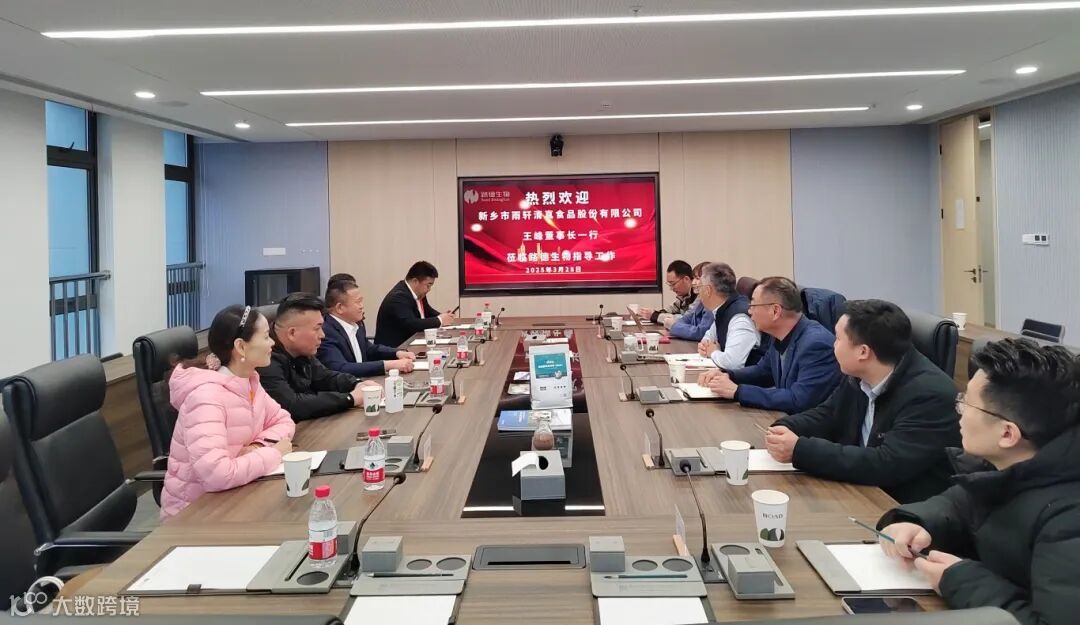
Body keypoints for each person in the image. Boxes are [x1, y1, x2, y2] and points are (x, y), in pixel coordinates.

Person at [877, 338, 1080, 625]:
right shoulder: (1014, 464)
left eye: (967, 403)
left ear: (1007, 434)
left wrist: (960, 580)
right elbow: (959, 502)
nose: (958, 410)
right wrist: (916, 523)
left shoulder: (1069, 517)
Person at [766, 299, 959, 503]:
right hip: (860, 491)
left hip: (899, 507)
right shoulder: (860, 374)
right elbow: (829, 414)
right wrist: (785, 427)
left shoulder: (929, 395)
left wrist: (800, 450)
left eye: (838, 339)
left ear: (863, 352)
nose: (833, 345)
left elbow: (886, 463)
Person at [162, 305, 296, 519]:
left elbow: (283, 421)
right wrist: (273, 453)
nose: (272, 343)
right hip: (196, 516)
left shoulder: (248, 381)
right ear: (241, 346)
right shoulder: (206, 398)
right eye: (265, 337)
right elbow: (217, 475)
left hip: (236, 496)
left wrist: (257, 446)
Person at [699, 276, 841, 414]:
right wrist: (727, 375)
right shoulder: (779, 334)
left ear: (775, 311)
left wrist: (738, 391)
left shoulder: (816, 344)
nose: (749, 311)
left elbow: (799, 400)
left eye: (753, 305)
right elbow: (763, 371)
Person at [259, 292, 378, 421]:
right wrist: (350, 398)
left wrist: (357, 384)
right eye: (317, 329)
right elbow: (292, 405)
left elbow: (326, 377)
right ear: (292, 333)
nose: (322, 335)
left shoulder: (302, 351)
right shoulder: (265, 359)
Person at [319, 279, 417, 377]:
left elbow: (369, 349)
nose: (361, 306)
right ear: (340, 308)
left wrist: (397, 353)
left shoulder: (356, 324)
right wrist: (388, 365)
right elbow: (341, 368)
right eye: (358, 302)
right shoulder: (325, 332)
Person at [693, 262, 763, 370]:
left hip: (750, 379)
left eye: (699, 288)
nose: (698, 293)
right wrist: (705, 347)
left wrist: (713, 352)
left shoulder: (739, 319)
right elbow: (708, 339)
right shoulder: (722, 309)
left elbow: (732, 363)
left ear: (708, 291)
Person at [375, 261, 455, 348]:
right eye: (428, 285)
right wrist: (440, 320)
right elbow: (412, 324)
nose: (429, 289)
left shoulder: (418, 293)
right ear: (415, 281)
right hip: (394, 350)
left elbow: (427, 311)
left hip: (412, 344)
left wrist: (444, 316)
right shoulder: (398, 297)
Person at [667, 262, 716, 341]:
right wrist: (675, 325)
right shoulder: (702, 300)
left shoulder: (712, 303)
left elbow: (701, 333)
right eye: (693, 278)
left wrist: (674, 326)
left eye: (697, 278)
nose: (693, 282)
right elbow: (687, 318)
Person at [638, 260, 696, 326]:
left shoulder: (699, 295)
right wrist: (654, 313)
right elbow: (671, 309)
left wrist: (656, 316)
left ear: (686, 279)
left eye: (673, 284)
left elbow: (687, 319)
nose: (671, 288)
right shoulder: (684, 296)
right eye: (670, 284)